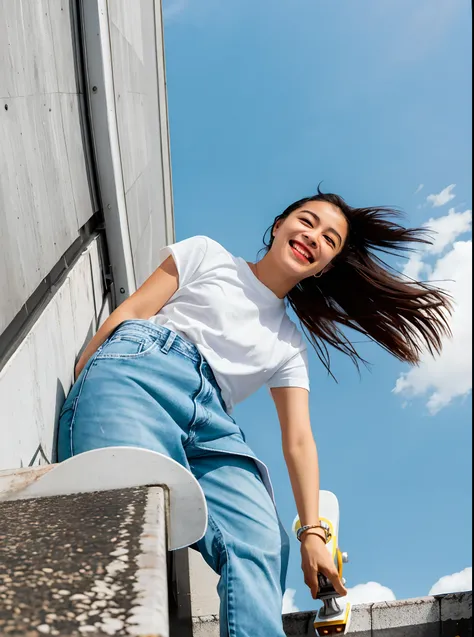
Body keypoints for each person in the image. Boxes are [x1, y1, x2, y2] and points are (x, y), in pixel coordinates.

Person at [57, 188, 451, 637]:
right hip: (147, 369)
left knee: (261, 541)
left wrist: (314, 535)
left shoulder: (288, 343)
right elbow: (133, 311)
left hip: (211, 425)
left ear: (325, 267)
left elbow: (299, 439)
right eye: (307, 221)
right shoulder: (206, 255)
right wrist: (86, 373)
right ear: (280, 224)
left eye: (330, 240)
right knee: (123, 503)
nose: (314, 237)